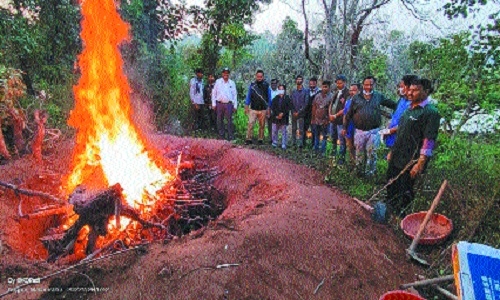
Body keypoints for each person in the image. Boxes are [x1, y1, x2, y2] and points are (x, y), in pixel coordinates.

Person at [386, 78, 440, 216]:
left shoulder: (430, 112)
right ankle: (388, 211)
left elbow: (429, 140)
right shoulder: (408, 109)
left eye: (415, 90)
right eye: (409, 89)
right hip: (397, 156)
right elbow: (401, 133)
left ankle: (400, 218)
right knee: (391, 184)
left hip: (411, 159)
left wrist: (421, 162)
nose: (410, 93)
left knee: (406, 189)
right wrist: (392, 151)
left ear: (426, 91)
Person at [343, 76, 397, 177]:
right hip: (359, 131)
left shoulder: (378, 96)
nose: (368, 87)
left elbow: (392, 104)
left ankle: (371, 173)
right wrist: (345, 128)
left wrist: (398, 113)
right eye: (366, 84)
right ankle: (358, 171)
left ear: (374, 85)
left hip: (373, 131)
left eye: (371, 84)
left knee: (371, 152)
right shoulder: (356, 98)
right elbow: (349, 114)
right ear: (363, 85)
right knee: (359, 151)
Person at [380, 75, 419, 149]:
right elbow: (394, 117)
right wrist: (386, 130)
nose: (400, 89)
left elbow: (407, 124)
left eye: (402, 86)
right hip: (391, 141)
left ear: (408, 87)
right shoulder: (402, 100)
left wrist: (389, 131)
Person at [244, 70, 272, 145]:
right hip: (253, 108)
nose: (259, 78)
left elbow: (269, 98)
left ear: (263, 77)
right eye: (258, 76)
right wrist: (246, 105)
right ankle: (248, 138)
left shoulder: (267, 86)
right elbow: (248, 96)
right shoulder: (252, 86)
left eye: (261, 76)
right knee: (250, 123)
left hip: (263, 109)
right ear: (256, 76)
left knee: (262, 125)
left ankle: (260, 139)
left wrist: (269, 108)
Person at [329, 74, 350, 164]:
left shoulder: (347, 93)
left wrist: (336, 115)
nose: (338, 85)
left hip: (341, 121)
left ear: (344, 83)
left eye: (340, 83)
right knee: (333, 137)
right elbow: (331, 104)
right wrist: (329, 114)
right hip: (332, 120)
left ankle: (341, 158)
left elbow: (346, 108)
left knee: (341, 140)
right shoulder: (336, 93)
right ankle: (333, 155)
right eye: (337, 83)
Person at [212, 67, 238, 141]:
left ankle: (230, 136)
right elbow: (214, 93)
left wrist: (235, 105)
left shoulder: (232, 83)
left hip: (229, 104)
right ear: (222, 74)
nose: (225, 74)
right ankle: (221, 135)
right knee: (219, 120)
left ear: (229, 74)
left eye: (227, 73)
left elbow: (235, 94)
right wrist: (213, 103)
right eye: (224, 73)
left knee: (229, 120)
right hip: (219, 104)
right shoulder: (218, 82)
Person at [311, 81, 333, 155]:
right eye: (323, 86)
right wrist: (313, 118)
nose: (324, 88)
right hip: (317, 120)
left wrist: (328, 120)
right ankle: (316, 149)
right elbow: (314, 106)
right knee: (316, 135)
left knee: (324, 136)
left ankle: (323, 151)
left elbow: (331, 110)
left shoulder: (331, 97)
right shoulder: (317, 96)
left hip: (325, 121)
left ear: (329, 88)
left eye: (326, 87)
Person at [270, 84, 294, 150]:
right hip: (276, 117)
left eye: (282, 89)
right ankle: (274, 142)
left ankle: (284, 144)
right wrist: (277, 114)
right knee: (274, 130)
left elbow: (289, 107)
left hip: (284, 117)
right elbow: (273, 107)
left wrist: (282, 114)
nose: (281, 90)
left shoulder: (287, 98)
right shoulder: (275, 98)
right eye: (279, 89)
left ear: (284, 90)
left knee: (284, 132)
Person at [342, 83, 360, 170]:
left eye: (354, 90)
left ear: (358, 91)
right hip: (349, 128)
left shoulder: (361, 102)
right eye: (351, 90)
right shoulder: (348, 102)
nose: (352, 92)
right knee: (350, 147)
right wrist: (344, 128)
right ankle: (352, 165)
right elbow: (345, 115)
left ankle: (358, 167)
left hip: (358, 128)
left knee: (358, 148)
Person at [290, 75, 309, 148]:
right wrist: (293, 111)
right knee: (293, 128)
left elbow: (306, 103)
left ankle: (300, 143)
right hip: (293, 113)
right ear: (296, 81)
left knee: (301, 129)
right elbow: (291, 102)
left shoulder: (305, 91)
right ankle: (293, 142)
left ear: (302, 80)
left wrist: (299, 112)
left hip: (301, 114)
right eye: (298, 79)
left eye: (300, 79)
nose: (299, 80)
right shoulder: (293, 91)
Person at [303, 77, 320, 148]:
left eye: (313, 83)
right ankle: (303, 143)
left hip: (315, 114)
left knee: (314, 130)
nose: (312, 84)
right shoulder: (306, 91)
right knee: (304, 129)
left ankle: (313, 145)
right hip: (306, 113)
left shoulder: (319, 92)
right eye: (310, 83)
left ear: (316, 83)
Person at [267, 78, 279, 144]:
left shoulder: (279, 91)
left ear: (277, 84)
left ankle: (275, 139)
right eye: (272, 83)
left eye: (274, 83)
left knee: (276, 124)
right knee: (269, 125)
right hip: (269, 109)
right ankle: (270, 138)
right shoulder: (268, 91)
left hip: (277, 110)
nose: (273, 85)